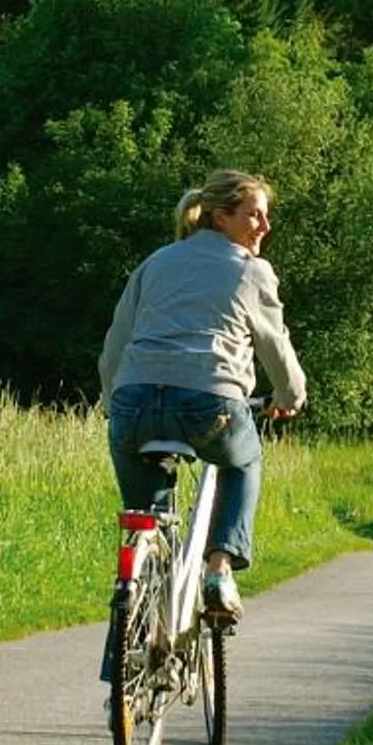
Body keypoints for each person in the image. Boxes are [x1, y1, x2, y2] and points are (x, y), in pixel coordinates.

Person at [97, 169, 306, 626]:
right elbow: (274, 343)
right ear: (219, 217)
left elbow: (116, 343)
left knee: (147, 517)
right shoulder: (250, 270)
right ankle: (219, 568)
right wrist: (290, 395)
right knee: (243, 461)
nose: (264, 227)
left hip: (133, 403)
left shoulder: (155, 263)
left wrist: (115, 403)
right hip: (210, 404)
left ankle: (144, 619)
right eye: (254, 215)